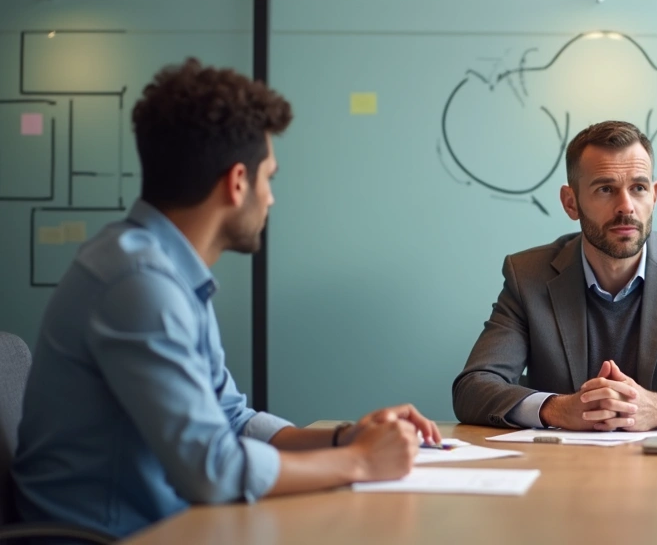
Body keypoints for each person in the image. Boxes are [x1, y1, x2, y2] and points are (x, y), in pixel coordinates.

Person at [12, 58, 441, 539]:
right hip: (111, 537)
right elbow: (210, 469)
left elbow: (232, 419)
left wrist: (347, 437)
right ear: (237, 182)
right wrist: (359, 462)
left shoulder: (168, 273)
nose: (271, 198)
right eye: (269, 178)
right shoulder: (137, 283)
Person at [453, 121, 657, 431]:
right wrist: (557, 410)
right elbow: (473, 388)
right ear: (571, 202)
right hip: (561, 469)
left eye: (638, 188)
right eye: (605, 189)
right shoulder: (527, 277)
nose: (625, 206)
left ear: (654, 196)